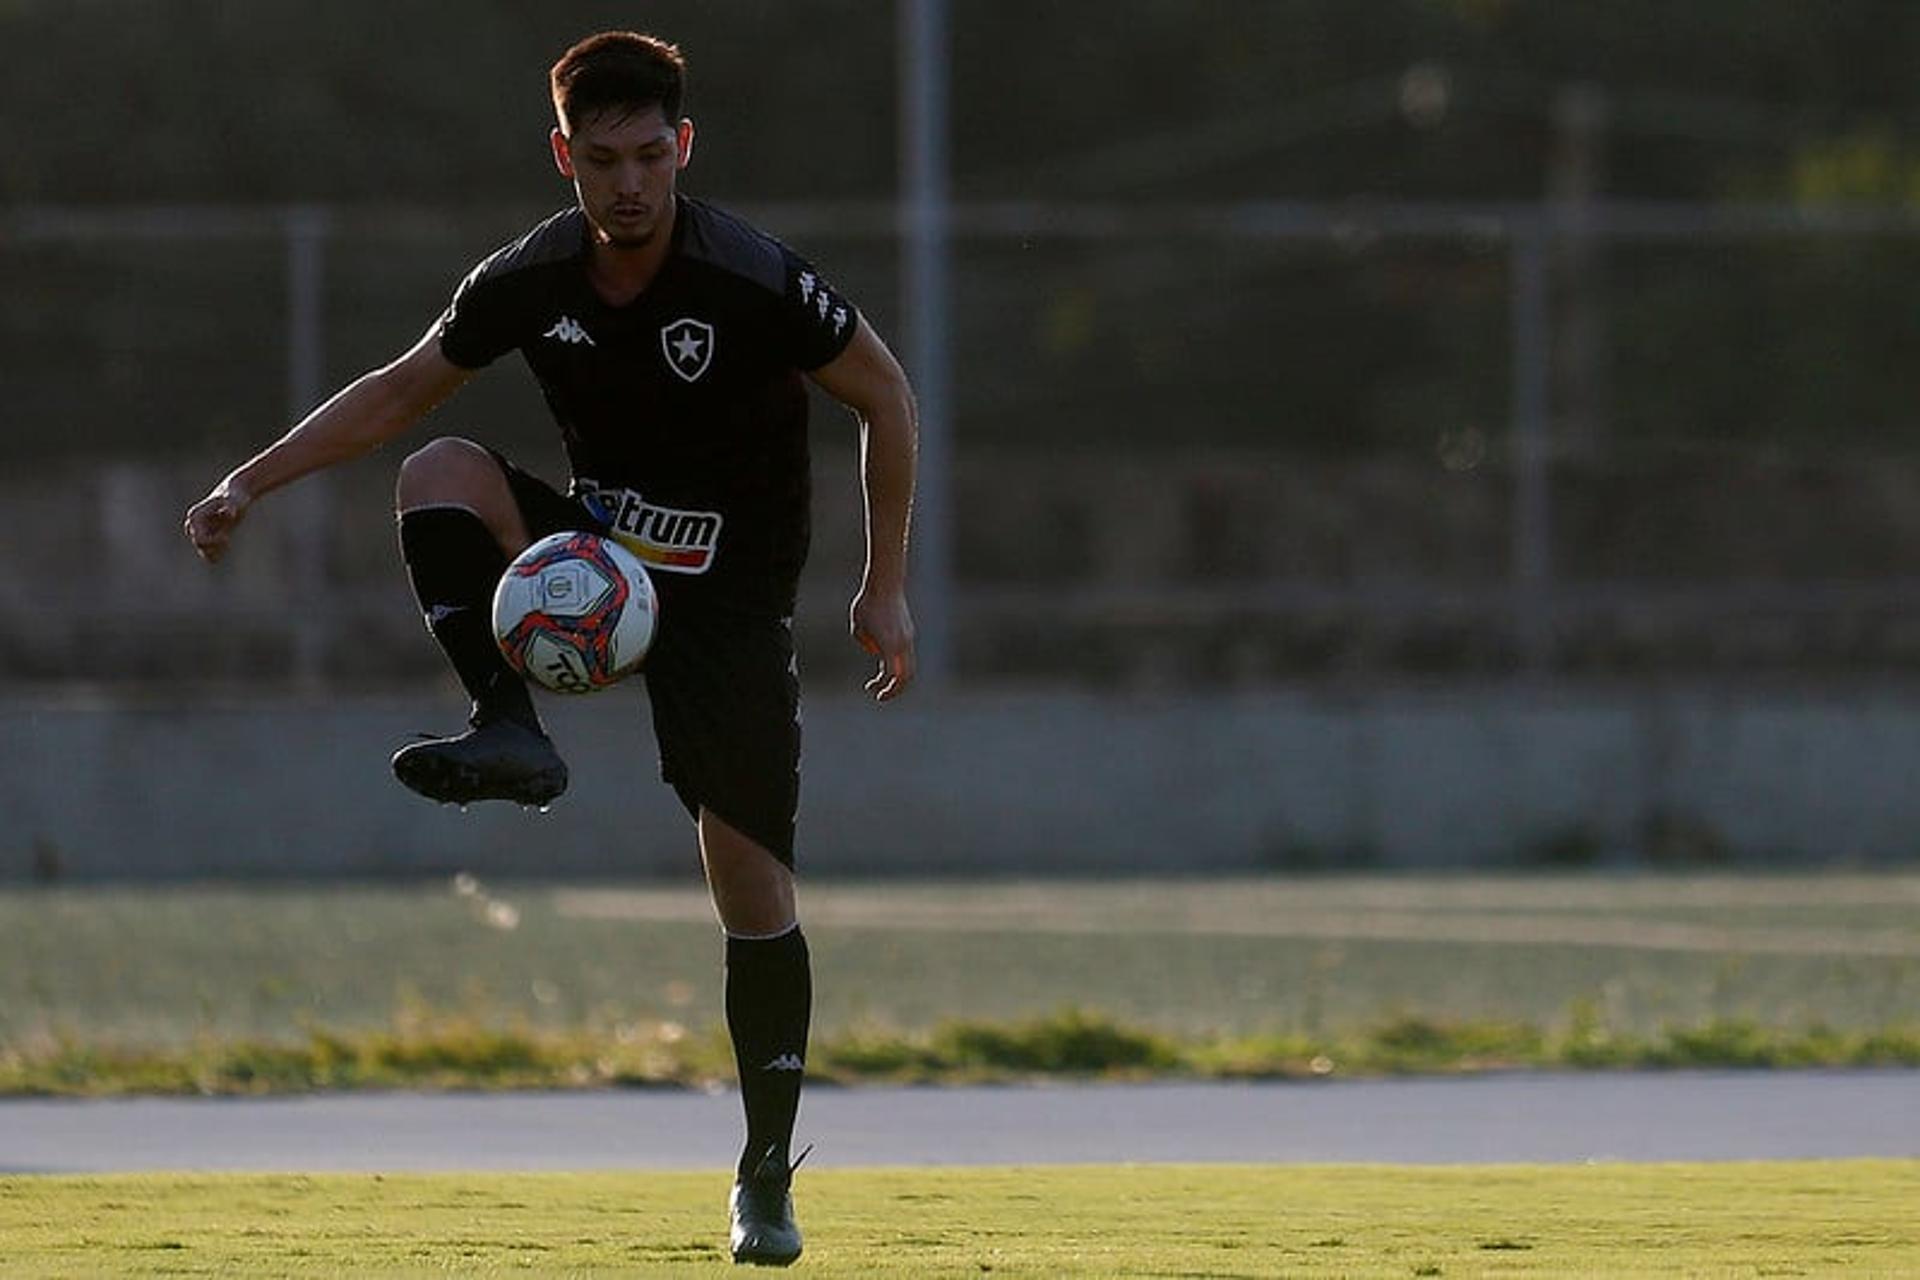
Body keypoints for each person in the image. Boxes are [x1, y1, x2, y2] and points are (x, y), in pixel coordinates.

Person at [183, 30, 916, 1267]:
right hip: (596, 568)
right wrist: (248, 484)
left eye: (647, 155)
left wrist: (883, 584)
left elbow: (885, 392)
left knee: (748, 888)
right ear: (562, 158)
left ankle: (763, 1171)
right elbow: (402, 387)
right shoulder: (532, 276)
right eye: (599, 159)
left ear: (681, 148)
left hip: (728, 608)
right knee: (443, 470)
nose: (626, 183)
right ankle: (509, 724)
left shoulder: (749, 278)